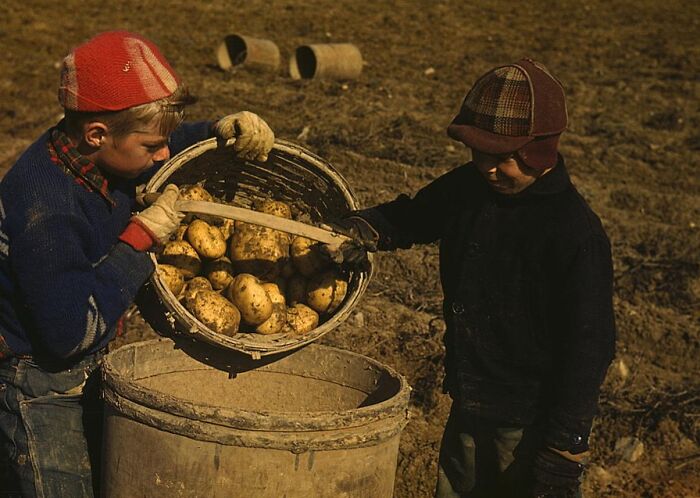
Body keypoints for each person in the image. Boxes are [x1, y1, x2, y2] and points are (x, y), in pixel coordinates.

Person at [0, 31, 275, 497]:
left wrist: (215, 132)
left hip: (82, 362)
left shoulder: (98, 153)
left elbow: (147, 144)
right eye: (154, 147)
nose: (164, 156)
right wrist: (139, 241)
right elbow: (69, 336)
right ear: (96, 134)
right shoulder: (46, 207)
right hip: (37, 380)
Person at [328, 58, 616, 497]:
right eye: (477, 154)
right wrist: (372, 226)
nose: (488, 168)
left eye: (501, 158)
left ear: (539, 152)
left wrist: (564, 452)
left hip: (529, 423)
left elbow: (589, 349)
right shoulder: (470, 188)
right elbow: (417, 214)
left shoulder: (574, 234)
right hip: (471, 402)